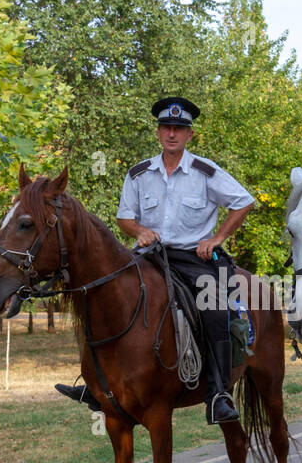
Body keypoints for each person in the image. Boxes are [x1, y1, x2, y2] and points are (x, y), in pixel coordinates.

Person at [56, 96, 255, 424]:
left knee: (215, 308)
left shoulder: (205, 172)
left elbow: (243, 202)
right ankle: (96, 385)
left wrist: (217, 238)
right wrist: (139, 230)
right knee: (101, 299)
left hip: (193, 258)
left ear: (189, 135)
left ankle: (218, 392)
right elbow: (124, 218)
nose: (172, 133)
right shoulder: (139, 173)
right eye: (166, 127)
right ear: (159, 132)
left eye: (179, 128)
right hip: (148, 256)